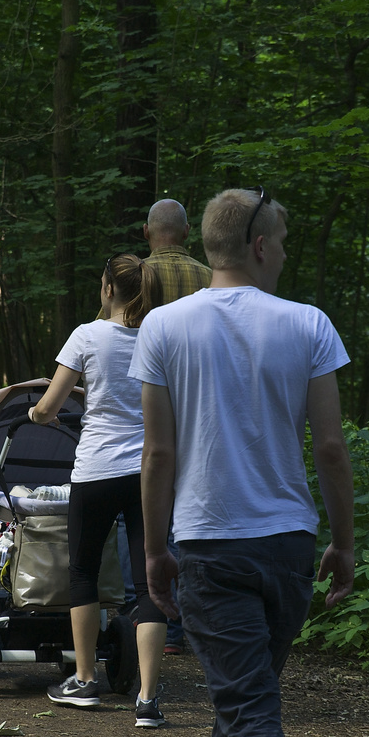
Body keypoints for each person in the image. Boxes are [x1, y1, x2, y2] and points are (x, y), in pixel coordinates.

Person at [131, 187, 355, 737]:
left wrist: (155, 546)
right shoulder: (308, 325)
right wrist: (344, 541)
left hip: (207, 541)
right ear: (259, 246)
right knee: (248, 702)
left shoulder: (164, 326)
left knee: (248, 708)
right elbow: (328, 446)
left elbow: (158, 453)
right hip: (287, 546)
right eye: (283, 241)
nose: (285, 254)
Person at [29, 254, 169, 728]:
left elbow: (49, 407)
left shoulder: (87, 335)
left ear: (108, 288)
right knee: (151, 582)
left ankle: (85, 679)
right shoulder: (159, 337)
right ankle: (148, 700)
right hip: (149, 472)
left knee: (84, 571)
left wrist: (35, 415)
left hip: (98, 469)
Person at [139, 199, 212, 657]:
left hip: (142, 403)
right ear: (186, 232)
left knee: (145, 505)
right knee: (187, 511)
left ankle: (151, 616)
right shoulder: (210, 277)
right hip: (197, 406)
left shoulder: (133, 276)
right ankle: (186, 624)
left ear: (147, 232)